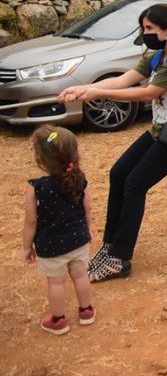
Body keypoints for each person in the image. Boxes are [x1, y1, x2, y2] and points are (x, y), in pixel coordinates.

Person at [58, 4, 167, 281]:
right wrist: (84, 89)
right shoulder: (157, 55)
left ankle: (120, 258)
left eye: (150, 28)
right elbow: (126, 79)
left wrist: (97, 94)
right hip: (161, 129)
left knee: (135, 184)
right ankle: (110, 244)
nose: (145, 33)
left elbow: (147, 93)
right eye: (143, 28)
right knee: (119, 174)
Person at [22, 125, 94, 335]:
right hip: (79, 240)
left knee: (56, 282)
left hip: (51, 246)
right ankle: (86, 311)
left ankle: (58, 320)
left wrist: (27, 247)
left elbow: (31, 222)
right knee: (81, 276)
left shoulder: (35, 188)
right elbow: (87, 210)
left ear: (41, 159)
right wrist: (86, 231)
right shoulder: (80, 180)